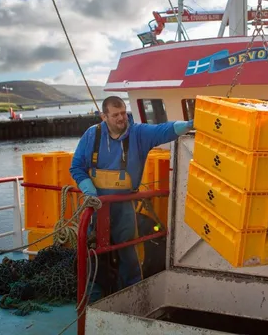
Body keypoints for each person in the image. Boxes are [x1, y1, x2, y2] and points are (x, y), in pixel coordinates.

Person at [69, 96, 193, 292]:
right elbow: (76, 167)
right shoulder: (91, 135)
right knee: (92, 250)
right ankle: (93, 295)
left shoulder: (138, 133)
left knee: (130, 250)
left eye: (123, 113)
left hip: (124, 206)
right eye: (115, 114)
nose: (121, 118)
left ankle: (131, 291)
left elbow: (163, 130)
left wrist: (188, 124)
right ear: (104, 116)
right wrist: (89, 190)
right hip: (95, 206)